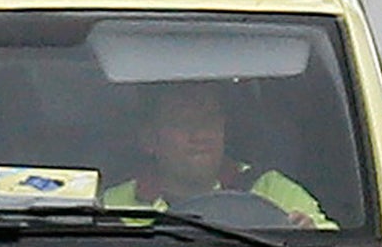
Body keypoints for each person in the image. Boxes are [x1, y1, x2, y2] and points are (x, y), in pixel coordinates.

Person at [104, 85, 333, 228]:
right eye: (183, 122)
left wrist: (310, 236)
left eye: (209, 120)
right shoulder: (113, 205)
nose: (200, 134)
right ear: (149, 139)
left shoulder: (271, 188)